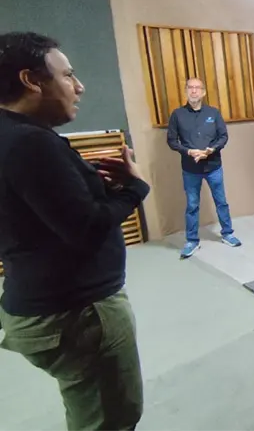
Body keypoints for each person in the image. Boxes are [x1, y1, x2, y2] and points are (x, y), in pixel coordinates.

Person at [0, 32, 149, 430]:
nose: (79, 86)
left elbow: (34, 210)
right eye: (67, 75)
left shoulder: (11, 135)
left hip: (40, 302)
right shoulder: (31, 143)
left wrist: (89, 183)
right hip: (77, 314)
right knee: (110, 419)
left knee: (89, 411)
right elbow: (87, 227)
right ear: (31, 80)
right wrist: (136, 188)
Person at [167, 78, 241, 259]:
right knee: (192, 205)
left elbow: (223, 136)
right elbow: (171, 141)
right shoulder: (177, 115)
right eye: (190, 88)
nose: (194, 91)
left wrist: (211, 150)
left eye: (197, 88)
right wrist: (188, 151)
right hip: (190, 168)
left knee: (221, 202)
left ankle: (227, 234)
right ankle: (192, 241)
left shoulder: (213, 113)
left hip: (213, 166)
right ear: (186, 91)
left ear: (203, 92)